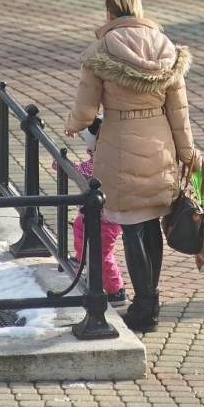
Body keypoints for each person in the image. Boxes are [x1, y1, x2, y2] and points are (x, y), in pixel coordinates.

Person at [64, 0, 203, 333]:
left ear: (109, 10)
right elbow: (179, 113)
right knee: (153, 222)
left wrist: (72, 124)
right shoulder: (166, 47)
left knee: (131, 227)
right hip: (159, 145)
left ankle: (143, 308)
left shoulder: (101, 51)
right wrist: (187, 154)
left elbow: (85, 110)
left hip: (119, 147)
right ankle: (150, 304)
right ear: (139, 6)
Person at [56, 118, 127, 305]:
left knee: (102, 255)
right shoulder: (113, 157)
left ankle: (116, 290)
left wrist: (61, 164)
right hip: (94, 215)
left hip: (107, 219)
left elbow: (78, 172)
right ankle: (82, 260)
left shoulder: (99, 163)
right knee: (79, 227)